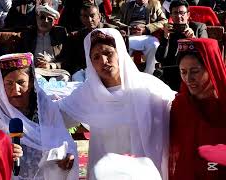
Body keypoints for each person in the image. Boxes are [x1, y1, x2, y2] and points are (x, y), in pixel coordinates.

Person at [59, 28, 176, 180]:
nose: (103, 61)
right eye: (96, 57)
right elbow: (56, 117)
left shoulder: (148, 87)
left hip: (144, 173)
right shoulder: (88, 94)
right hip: (105, 173)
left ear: (120, 52)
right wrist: (62, 149)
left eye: (108, 53)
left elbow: (179, 109)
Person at [0, 53, 79, 179]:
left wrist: (68, 154)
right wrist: (3, 151)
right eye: (9, 83)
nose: (16, 89)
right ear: (1, 86)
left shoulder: (44, 108)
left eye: (21, 82)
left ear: (31, 83)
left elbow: (63, 138)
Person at [169, 38, 226, 180]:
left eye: (195, 71)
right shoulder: (180, 104)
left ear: (211, 68)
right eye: (183, 72)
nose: (188, 78)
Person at [155, 0, 208, 91]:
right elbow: (159, 58)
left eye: (182, 13)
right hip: (171, 71)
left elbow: (206, 52)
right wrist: (165, 38)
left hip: (192, 71)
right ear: (170, 15)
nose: (179, 16)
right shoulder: (168, 29)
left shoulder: (198, 28)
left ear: (188, 15)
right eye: (175, 13)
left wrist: (194, 39)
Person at [19, 3, 70, 81]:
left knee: (64, 78)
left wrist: (51, 65)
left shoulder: (60, 33)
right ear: (37, 18)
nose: (45, 21)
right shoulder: (28, 34)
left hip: (54, 70)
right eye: (42, 17)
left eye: (49, 19)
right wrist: (32, 63)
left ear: (53, 23)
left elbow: (67, 58)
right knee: (36, 79)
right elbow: (21, 55)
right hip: (35, 69)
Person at [113, 0, 167, 74]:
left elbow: (164, 21)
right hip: (130, 35)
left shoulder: (154, 4)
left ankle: (149, 74)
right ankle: (127, 74)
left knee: (154, 45)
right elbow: (116, 20)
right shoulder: (126, 6)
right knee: (122, 46)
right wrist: (128, 28)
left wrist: (147, 29)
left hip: (147, 35)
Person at [67, 3, 117, 77]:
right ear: (81, 19)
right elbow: (75, 60)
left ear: (99, 16)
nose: (89, 20)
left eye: (92, 16)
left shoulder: (111, 31)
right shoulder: (78, 36)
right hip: (86, 71)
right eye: (85, 16)